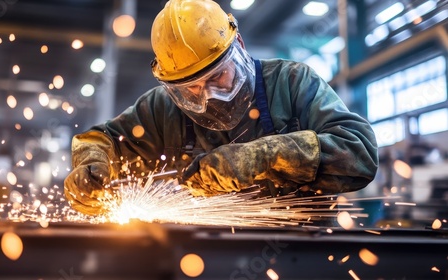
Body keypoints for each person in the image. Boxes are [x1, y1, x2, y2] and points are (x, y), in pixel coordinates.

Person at [64, 0, 379, 216]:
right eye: (190, 89)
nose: (209, 97)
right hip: (198, 258)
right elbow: (100, 141)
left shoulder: (291, 82)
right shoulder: (162, 109)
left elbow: (359, 154)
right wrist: (92, 167)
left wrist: (263, 156)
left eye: (219, 76)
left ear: (239, 46)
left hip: (301, 252)